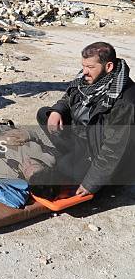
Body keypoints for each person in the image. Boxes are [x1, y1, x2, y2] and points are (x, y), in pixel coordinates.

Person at [37, 42, 135, 195]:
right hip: (84, 136)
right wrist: (57, 111)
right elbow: (70, 96)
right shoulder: (89, 78)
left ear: (108, 67)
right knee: (45, 115)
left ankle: (91, 172)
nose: (84, 72)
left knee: (64, 169)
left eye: (90, 67)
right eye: (83, 66)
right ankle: (72, 154)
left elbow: (113, 149)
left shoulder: (124, 102)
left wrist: (91, 184)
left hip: (100, 151)